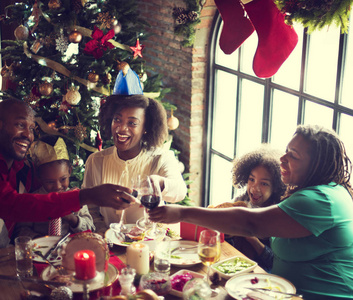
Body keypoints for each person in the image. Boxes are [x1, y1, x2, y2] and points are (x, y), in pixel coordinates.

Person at [149, 124, 353, 300]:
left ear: (317, 165)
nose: (282, 159)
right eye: (286, 150)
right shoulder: (321, 192)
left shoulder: (321, 200)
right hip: (283, 291)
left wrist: (182, 213)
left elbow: (250, 224)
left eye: (293, 155)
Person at [0, 98, 136, 241]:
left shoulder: (22, 169)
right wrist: (87, 195)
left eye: (32, 129)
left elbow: (32, 204)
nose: (28, 135)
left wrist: (73, 216)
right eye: (20, 125)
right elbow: (16, 206)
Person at [82, 94, 187, 233]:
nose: (121, 129)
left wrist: (159, 183)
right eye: (117, 120)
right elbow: (90, 209)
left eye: (132, 123)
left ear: (145, 127)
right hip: (110, 243)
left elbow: (180, 192)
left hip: (150, 241)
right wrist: (104, 233)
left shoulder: (161, 157)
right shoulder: (95, 161)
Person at [214, 145, 286, 272]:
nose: (254, 188)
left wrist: (251, 237)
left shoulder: (277, 214)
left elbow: (272, 262)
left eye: (263, 183)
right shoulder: (242, 199)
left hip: (260, 273)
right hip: (234, 263)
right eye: (251, 179)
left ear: (276, 186)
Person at [12, 135, 95, 240]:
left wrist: (71, 218)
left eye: (63, 179)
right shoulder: (33, 199)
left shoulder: (77, 197)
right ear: (39, 177)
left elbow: (91, 228)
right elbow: (21, 230)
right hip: (39, 251)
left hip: (70, 250)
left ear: (69, 171)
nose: (57, 187)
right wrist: (41, 241)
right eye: (50, 182)